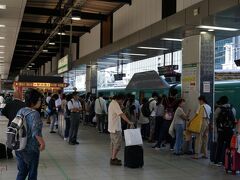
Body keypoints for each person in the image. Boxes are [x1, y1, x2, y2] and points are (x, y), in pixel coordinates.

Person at [15, 88, 45, 180]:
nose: (40, 102)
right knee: (32, 173)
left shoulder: (21, 110)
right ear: (33, 102)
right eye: (39, 100)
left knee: (22, 172)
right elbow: (36, 132)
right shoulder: (34, 114)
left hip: (19, 146)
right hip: (31, 148)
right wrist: (42, 143)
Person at [108, 94, 133, 166]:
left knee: (113, 144)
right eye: (123, 101)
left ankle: (113, 157)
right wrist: (129, 121)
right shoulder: (115, 104)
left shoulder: (113, 103)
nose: (123, 102)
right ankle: (113, 159)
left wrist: (121, 106)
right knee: (117, 144)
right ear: (120, 99)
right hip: (115, 128)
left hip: (112, 127)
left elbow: (119, 112)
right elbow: (121, 114)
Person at [1, 91, 26, 159]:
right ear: (20, 96)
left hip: (11, 124)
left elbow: (3, 112)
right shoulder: (24, 104)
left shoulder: (9, 103)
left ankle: (9, 154)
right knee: (21, 138)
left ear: (13, 96)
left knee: (11, 138)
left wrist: (9, 117)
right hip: (21, 125)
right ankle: (21, 153)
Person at [213, 96, 236, 165]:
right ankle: (226, 161)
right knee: (228, 146)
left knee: (220, 145)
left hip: (221, 130)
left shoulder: (219, 109)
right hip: (230, 130)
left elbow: (215, 119)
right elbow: (234, 119)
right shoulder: (233, 109)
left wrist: (216, 128)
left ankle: (217, 161)